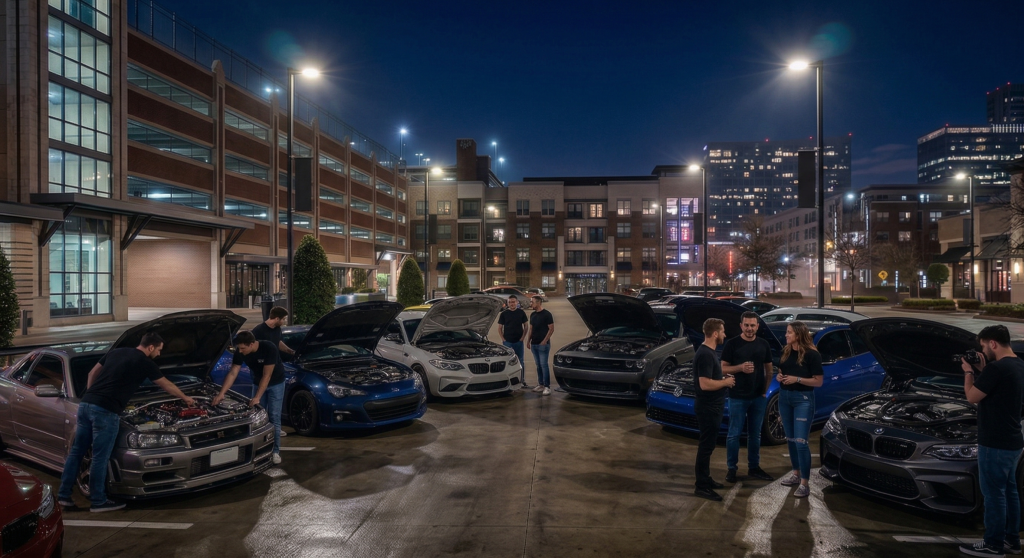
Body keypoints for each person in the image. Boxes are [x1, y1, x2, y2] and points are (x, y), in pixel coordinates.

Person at [58, 333, 195, 512]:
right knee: (99, 457)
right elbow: (166, 385)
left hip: (86, 405)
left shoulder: (116, 352)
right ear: (151, 347)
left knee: (76, 453)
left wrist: (92, 394)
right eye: (159, 350)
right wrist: (186, 398)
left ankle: (64, 496)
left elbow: (92, 373)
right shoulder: (144, 362)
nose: (159, 354)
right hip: (106, 411)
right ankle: (98, 501)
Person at [959, 325, 1024, 558]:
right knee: (1010, 492)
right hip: (1013, 440)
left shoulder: (996, 369)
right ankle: (1011, 541)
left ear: (993, 343)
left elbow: (972, 397)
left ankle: (993, 544)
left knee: (994, 494)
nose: (983, 350)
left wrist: (969, 372)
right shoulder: (1018, 364)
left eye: (984, 345)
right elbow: (999, 390)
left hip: (994, 442)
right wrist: (982, 370)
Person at [213, 330, 286, 465]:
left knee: (274, 416)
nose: (240, 351)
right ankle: (257, 450)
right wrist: (221, 393)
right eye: (239, 348)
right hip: (257, 382)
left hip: (276, 383)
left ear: (251, 344)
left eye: (243, 348)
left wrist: (257, 397)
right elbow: (233, 372)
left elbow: (267, 375)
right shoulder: (240, 352)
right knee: (256, 417)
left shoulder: (269, 348)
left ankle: (275, 451)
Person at [721, 311, 775, 483]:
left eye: (752, 325)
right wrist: (740, 368)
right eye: (746, 325)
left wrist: (765, 391)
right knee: (734, 434)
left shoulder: (763, 344)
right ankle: (731, 469)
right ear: (741, 326)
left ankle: (754, 467)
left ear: (757, 326)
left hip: (758, 397)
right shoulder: (732, 344)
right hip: (737, 397)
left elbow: (769, 370)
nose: (749, 328)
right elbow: (722, 369)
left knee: (755, 435)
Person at [775, 321, 823, 498]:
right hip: (784, 398)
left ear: (798, 334)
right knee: (790, 439)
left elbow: (818, 381)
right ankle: (795, 474)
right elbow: (782, 370)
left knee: (801, 442)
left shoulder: (812, 354)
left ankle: (804, 483)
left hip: (803, 400)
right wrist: (779, 376)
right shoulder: (786, 351)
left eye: (789, 332)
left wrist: (797, 379)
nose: (786, 335)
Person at [693, 318, 735, 501]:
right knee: (705, 447)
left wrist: (723, 378)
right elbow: (704, 384)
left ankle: (706, 479)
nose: (725, 334)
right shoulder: (705, 354)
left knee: (708, 446)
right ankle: (701, 486)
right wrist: (725, 382)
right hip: (708, 408)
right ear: (716, 333)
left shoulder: (709, 352)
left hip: (712, 407)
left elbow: (710, 378)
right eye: (723, 331)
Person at [252, 306, 295, 436]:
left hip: (277, 377)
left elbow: (278, 342)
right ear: (276, 318)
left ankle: (275, 431)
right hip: (261, 376)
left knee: (275, 412)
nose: (285, 321)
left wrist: (289, 351)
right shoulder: (258, 331)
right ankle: (262, 434)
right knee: (260, 410)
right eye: (284, 319)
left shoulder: (277, 329)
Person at [497, 295, 530, 389]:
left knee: (521, 361)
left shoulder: (521, 312)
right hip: (507, 342)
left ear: (517, 302)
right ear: (507, 303)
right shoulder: (504, 314)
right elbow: (499, 328)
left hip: (518, 342)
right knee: (508, 362)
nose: (512, 304)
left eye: (513, 302)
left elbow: (526, 326)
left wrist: (522, 338)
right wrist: (503, 339)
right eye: (510, 302)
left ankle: (522, 380)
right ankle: (509, 382)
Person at [525, 295, 554, 395]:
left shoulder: (547, 314)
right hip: (534, 344)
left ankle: (547, 386)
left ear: (538, 303)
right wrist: (528, 341)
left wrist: (545, 341)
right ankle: (540, 384)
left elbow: (551, 329)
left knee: (544, 365)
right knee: (538, 365)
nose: (531, 304)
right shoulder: (533, 315)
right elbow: (531, 329)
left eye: (532, 302)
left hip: (543, 345)